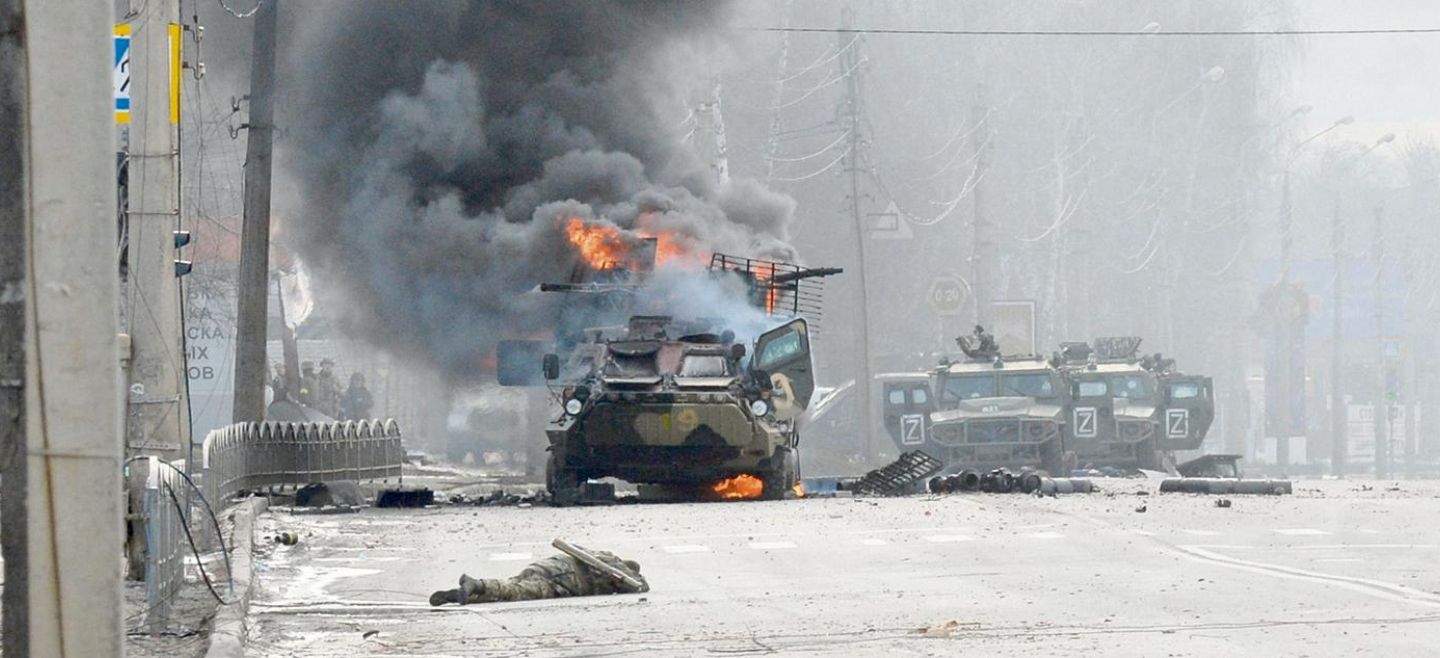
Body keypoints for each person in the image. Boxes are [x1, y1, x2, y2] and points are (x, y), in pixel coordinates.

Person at [429, 549, 645, 606]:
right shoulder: (614, 566)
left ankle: (466, 594)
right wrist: (632, 578)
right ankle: (477, 584)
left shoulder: (598, 554)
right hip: (564, 580)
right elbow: (642, 587)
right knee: (518, 591)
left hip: (548, 567)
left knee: (514, 587)